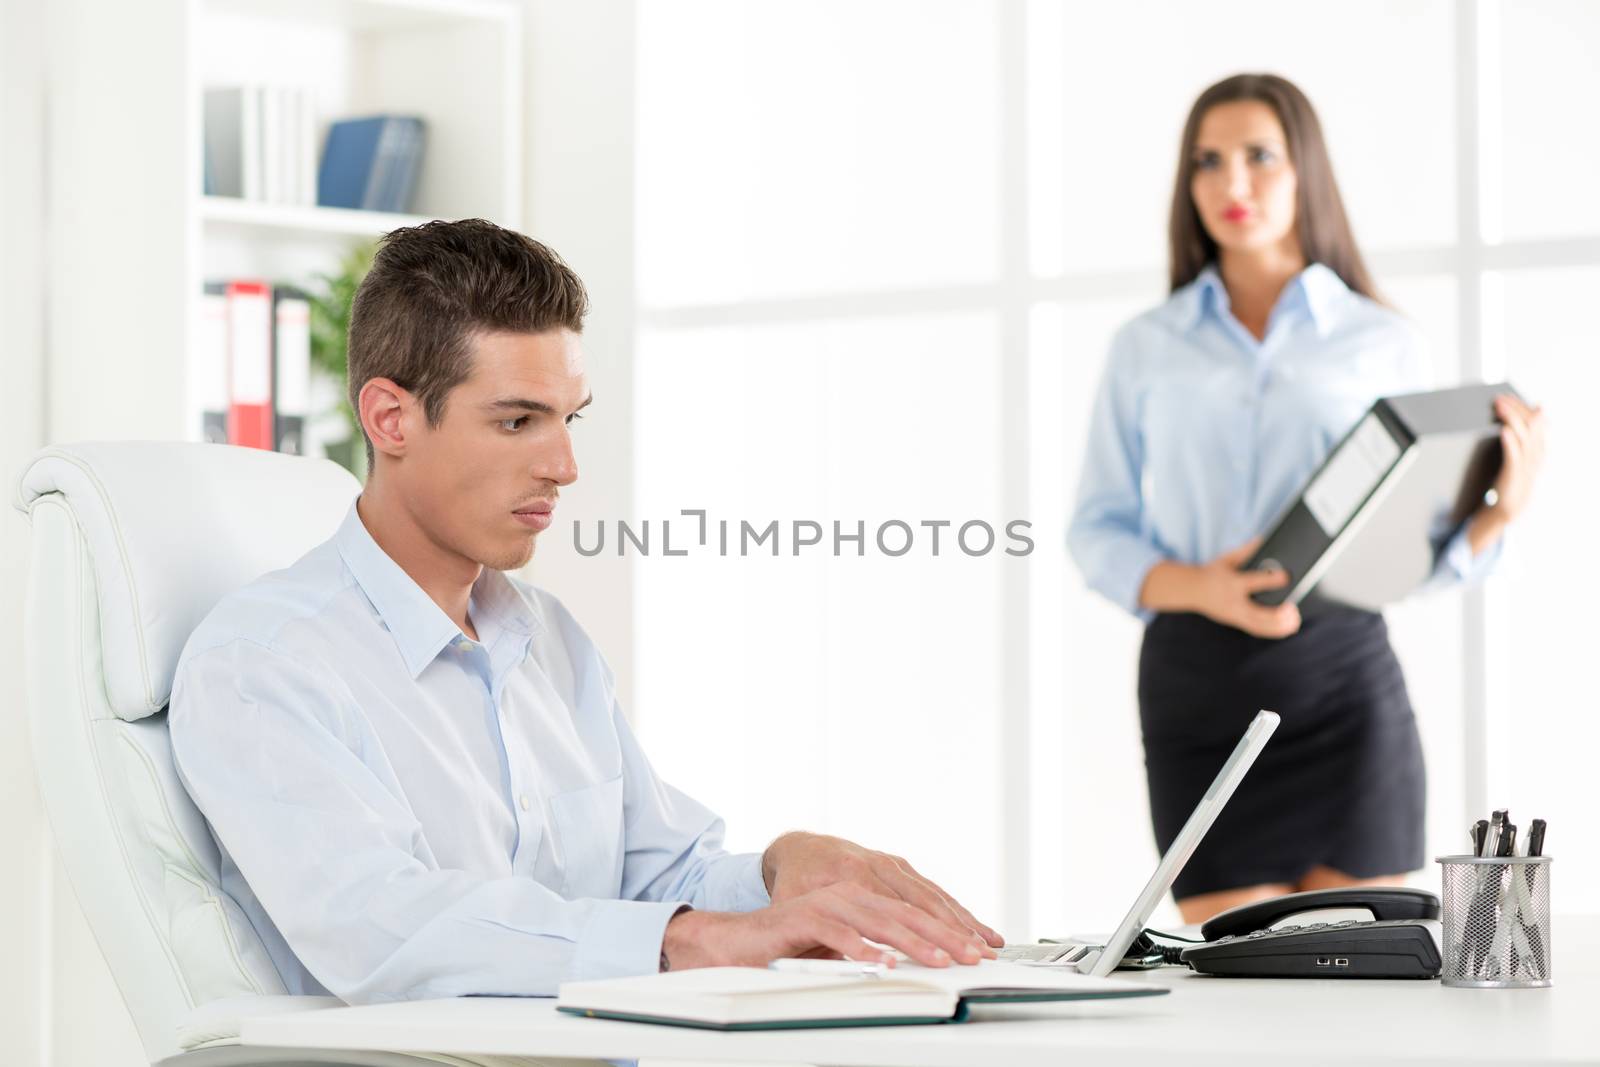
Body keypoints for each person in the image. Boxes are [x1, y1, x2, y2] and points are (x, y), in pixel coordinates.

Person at [170, 219, 1002, 1004]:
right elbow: (383, 927)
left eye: (569, 419)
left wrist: (780, 874)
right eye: (518, 420)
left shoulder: (549, 638)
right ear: (391, 418)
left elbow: (660, 880)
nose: (564, 465)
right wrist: (696, 942)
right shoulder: (263, 662)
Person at [1066, 73, 1547, 925]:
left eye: (1259, 157)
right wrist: (1203, 585)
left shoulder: (1383, 340)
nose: (1232, 185)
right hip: (1198, 687)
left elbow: (1410, 553)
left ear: (1306, 172)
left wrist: (1498, 511)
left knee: (1363, 978)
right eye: (1207, 163)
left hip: (1343, 686)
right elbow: (1097, 530)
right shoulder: (1145, 348)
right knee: (1239, 973)